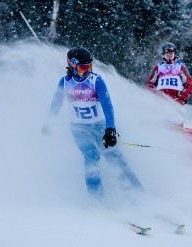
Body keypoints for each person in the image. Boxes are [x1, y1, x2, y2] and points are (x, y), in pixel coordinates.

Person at [42, 47, 142, 197]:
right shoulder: (64, 82)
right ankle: (96, 198)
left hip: (99, 126)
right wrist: (49, 122)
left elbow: (107, 106)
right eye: (83, 67)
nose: (86, 70)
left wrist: (110, 129)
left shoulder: (96, 81)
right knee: (92, 156)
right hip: (78, 129)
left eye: (89, 66)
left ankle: (138, 193)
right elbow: (56, 103)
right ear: (72, 65)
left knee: (115, 157)